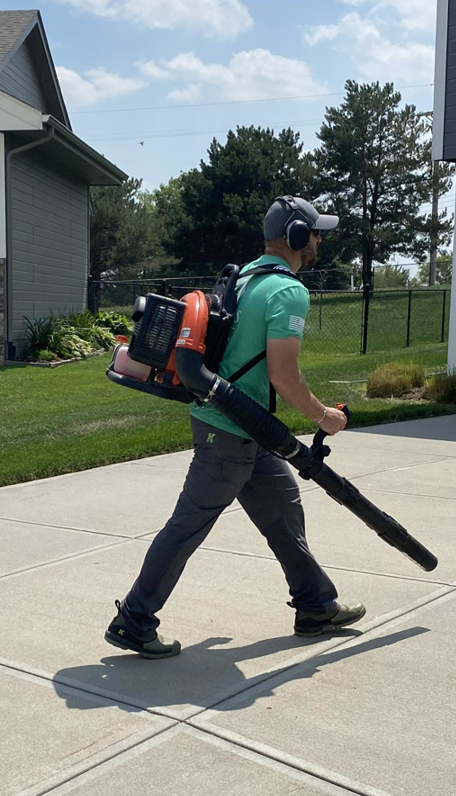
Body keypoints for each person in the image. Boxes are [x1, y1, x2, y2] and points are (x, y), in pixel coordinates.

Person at [105, 195, 366, 659]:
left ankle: (315, 605)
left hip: (246, 427)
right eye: (315, 233)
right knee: (187, 526)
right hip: (229, 432)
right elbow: (284, 376)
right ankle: (134, 619)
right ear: (297, 236)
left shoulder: (242, 277)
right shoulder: (287, 291)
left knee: (284, 511)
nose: (319, 241)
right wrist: (323, 416)